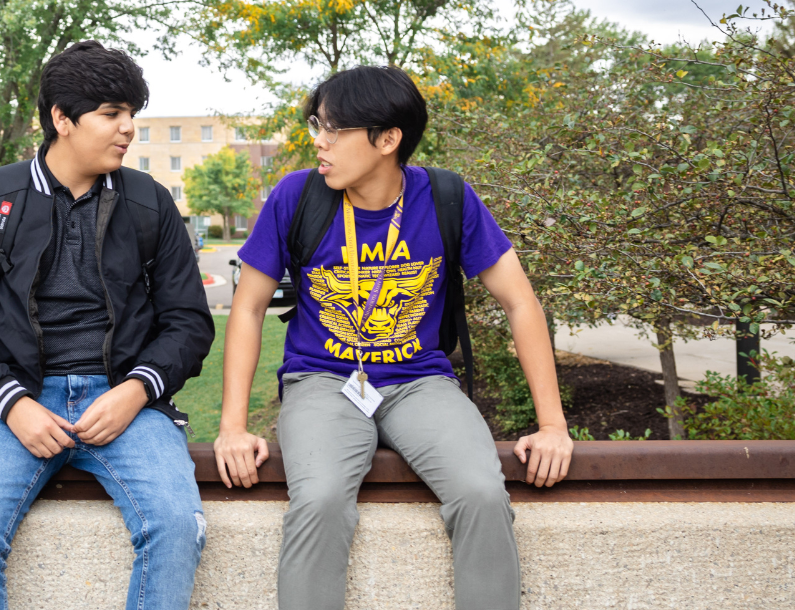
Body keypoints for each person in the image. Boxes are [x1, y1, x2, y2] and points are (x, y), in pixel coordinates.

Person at [212, 65, 574, 609]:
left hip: (420, 380)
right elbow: (248, 307)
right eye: (318, 125)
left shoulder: (447, 197)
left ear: (387, 139)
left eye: (334, 130)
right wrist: (232, 427)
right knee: (321, 498)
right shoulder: (297, 196)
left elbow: (521, 302)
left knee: (481, 492)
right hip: (321, 380)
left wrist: (553, 425)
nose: (319, 141)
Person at [0, 40, 215, 610]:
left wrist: (136, 391)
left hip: (127, 401)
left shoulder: (149, 203)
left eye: (132, 114)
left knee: (179, 527)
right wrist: (12, 402)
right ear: (62, 118)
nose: (128, 128)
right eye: (112, 114)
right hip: (17, 404)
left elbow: (187, 322)